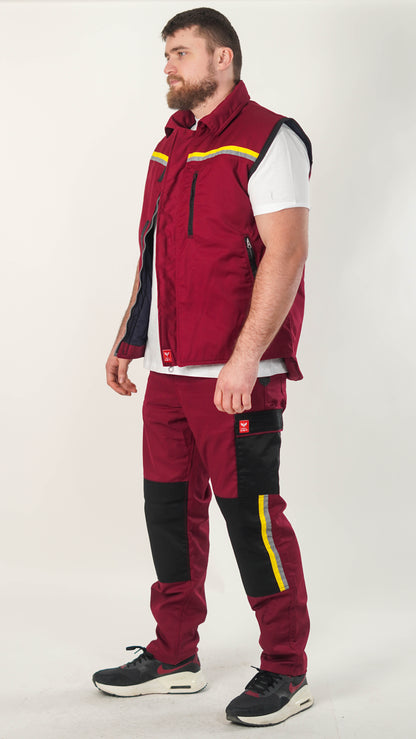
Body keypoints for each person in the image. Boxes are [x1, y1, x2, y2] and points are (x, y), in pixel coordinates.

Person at [92, 6, 314, 728]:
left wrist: (245, 359)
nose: (168, 65)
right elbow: (153, 252)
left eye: (180, 52)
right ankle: (174, 653)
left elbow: (286, 253)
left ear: (223, 58)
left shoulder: (270, 138)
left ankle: (286, 667)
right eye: (166, 54)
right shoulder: (171, 146)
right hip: (168, 374)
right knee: (167, 514)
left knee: (253, 518)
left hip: (237, 375)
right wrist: (130, 337)